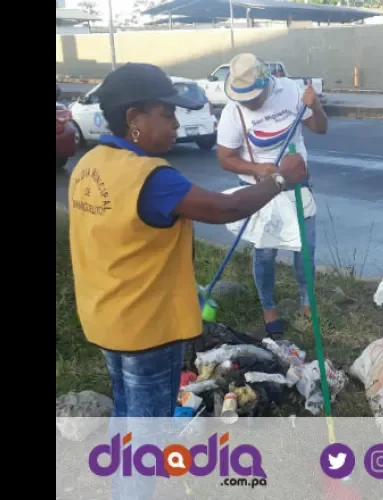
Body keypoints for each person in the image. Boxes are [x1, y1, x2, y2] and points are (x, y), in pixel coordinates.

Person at [67, 62, 308, 418]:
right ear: (135, 118)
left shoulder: (91, 163)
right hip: (146, 329)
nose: (176, 124)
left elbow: (123, 241)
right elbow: (225, 208)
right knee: (148, 427)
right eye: (167, 115)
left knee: (126, 409)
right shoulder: (151, 178)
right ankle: (138, 474)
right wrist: (279, 181)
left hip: (104, 317)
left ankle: (124, 470)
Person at [216, 53, 329, 336]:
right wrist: (258, 168)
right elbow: (225, 158)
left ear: (267, 83)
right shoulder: (234, 111)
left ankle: (307, 303)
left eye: (253, 96)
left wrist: (314, 105)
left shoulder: (290, 90)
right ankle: (269, 307)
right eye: (243, 97)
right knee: (265, 252)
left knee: (305, 248)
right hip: (259, 189)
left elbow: (321, 128)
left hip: (297, 184)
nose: (248, 102)